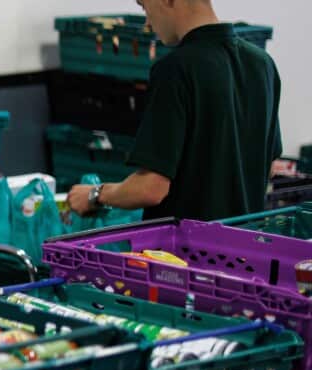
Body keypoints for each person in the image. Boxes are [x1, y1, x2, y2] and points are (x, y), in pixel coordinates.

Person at [68, 0, 282, 222]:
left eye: (144, 7)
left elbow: (149, 189)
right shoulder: (263, 64)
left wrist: (95, 194)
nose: (148, 23)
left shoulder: (175, 70)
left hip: (185, 252)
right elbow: (269, 167)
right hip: (246, 246)